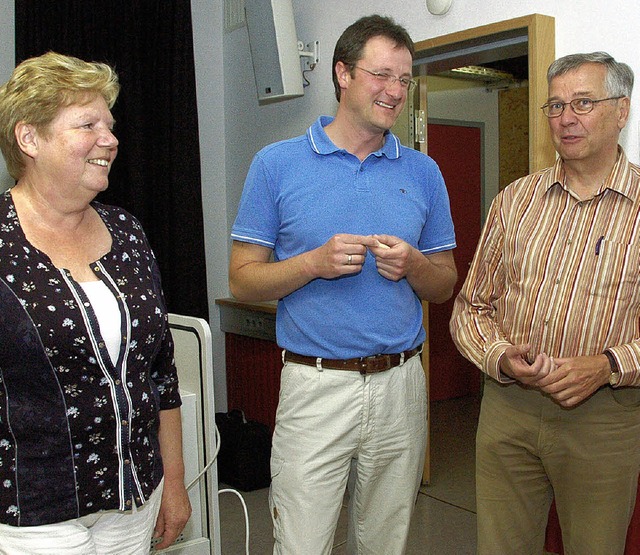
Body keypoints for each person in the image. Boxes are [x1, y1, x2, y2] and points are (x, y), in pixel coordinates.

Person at [229, 14, 457, 555]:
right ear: (342, 74)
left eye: (405, 79)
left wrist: (415, 266)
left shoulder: (425, 172)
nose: (395, 91)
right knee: (303, 542)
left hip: (400, 384)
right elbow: (241, 281)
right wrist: (313, 263)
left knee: (385, 542)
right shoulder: (275, 165)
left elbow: (444, 284)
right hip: (316, 386)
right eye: (382, 75)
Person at [0, 52, 191, 554]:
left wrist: (173, 483)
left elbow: (160, 375)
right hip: (33, 515)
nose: (110, 139)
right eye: (88, 124)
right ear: (29, 138)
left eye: (110, 125)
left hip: (134, 500)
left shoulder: (126, 232)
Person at [450, 51, 640, 555]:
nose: (566, 118)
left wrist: (606, 365)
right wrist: (501, 357)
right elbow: (470, 309)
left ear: (622, 110)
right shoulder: (515, 200)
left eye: (582, 102)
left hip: (605, 417)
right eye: (554, 106)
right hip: (508, 410)